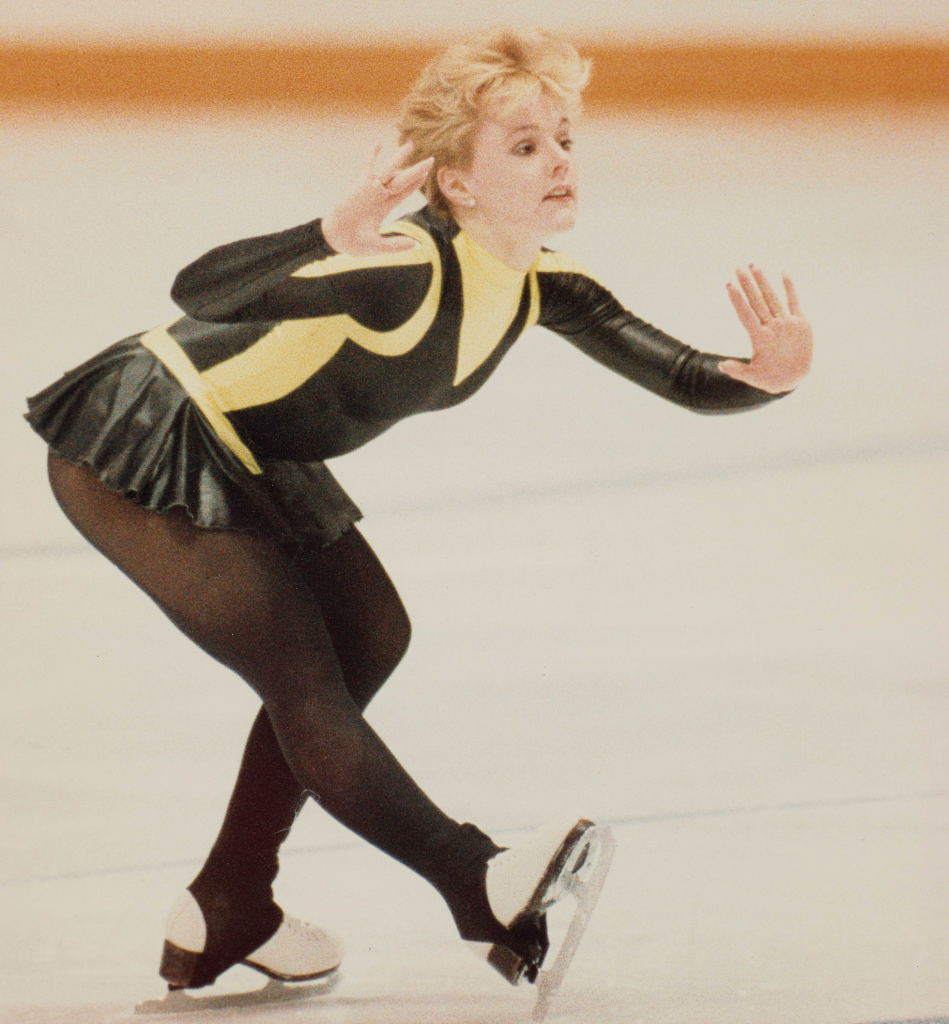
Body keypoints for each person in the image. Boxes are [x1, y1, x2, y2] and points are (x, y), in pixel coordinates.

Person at [25, 28, 813, 995]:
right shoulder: (399, 264)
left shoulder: (539, 284)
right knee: (304, 671)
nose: (560, 159)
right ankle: (474, 882)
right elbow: (198, 289)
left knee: (369, 631)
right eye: (524, 146)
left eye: (563, 137)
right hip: (144, 434)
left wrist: (763, 378)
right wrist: (324, 235)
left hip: (254, 447)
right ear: (458, 183)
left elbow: (692, 377)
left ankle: (230, 900)